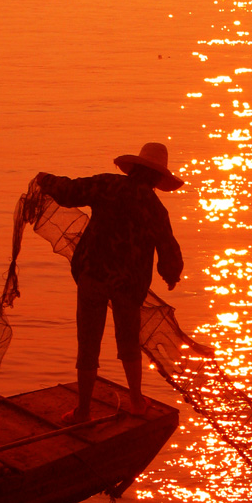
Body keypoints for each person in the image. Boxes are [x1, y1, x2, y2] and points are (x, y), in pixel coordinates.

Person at [36, 142, 184, 424]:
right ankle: (137, 402)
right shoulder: (155, 208)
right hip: (129, 285)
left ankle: (83, 410)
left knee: (88, 344)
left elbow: (69, 192)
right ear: (156, 178)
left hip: (93, 275)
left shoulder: (108, 185)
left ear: (135, 169)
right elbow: (169, 250)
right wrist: (171, 276)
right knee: (128, 343)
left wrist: (46, 180)